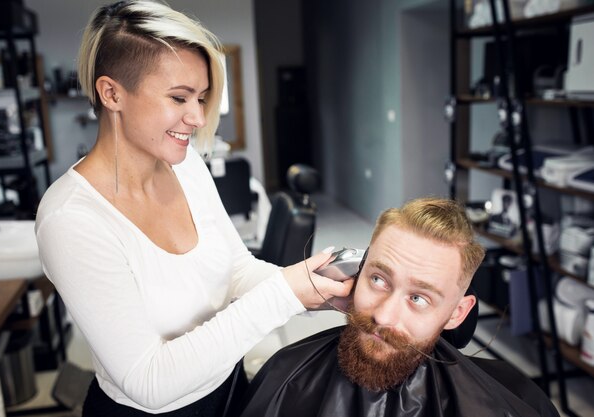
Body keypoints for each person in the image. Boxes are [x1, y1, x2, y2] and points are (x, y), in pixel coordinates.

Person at [34, 1, 353, 416]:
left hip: (230, 389)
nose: (199, 117)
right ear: (111, 93)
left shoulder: (186, 169)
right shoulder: (71, 220)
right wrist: (282, 295)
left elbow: (235, 270)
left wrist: (314, 288)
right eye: (179, 98)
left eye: (201, 98)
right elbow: (149, 381)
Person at [238, 197, 560, 417]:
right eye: (378, 280)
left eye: (418, 298)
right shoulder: (287, 375)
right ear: (357, 274)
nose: (383, 315)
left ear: (456, 313)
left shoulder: (506, 404)